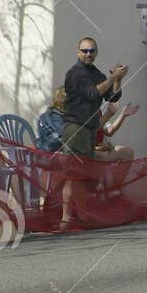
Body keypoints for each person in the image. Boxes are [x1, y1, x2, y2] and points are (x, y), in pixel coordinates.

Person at [60, 38, 127, 228]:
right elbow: (92, 93)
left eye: (92, 51)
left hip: (89, 128)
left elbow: (113, 97)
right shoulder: (75, 73)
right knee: (74, 175)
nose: (88, 54)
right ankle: (66, 217)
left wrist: (118, 80)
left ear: (96, 52)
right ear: (78, 51)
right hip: (75, 127)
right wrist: (112, 78)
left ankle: (82, 215)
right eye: (85, 50)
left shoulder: (95, 73)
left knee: (83, 175)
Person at [37, 88, 68, 153]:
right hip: (49, 149)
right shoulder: (55, 116)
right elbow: (64, 134)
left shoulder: (50, 113)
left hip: (44, 146)